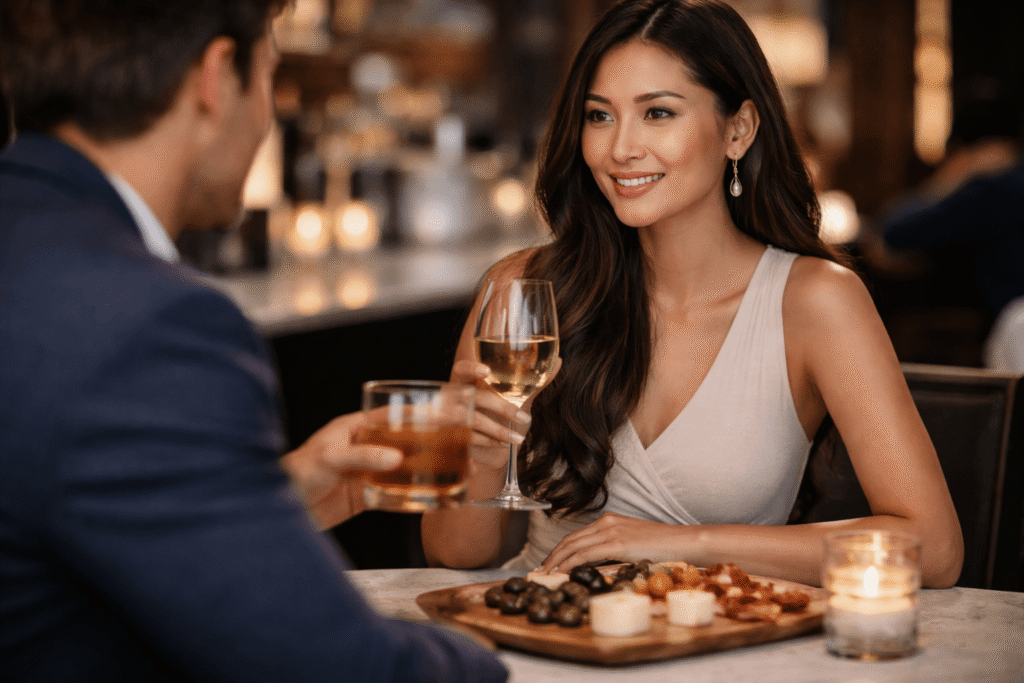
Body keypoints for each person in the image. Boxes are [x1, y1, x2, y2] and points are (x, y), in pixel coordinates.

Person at [0, 2, 506, 681]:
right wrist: (507, 656)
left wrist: (280, 495)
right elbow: (336, 666)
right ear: (216, 77)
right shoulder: (148, 322)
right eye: (270, 76)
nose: (267, 117)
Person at [422, 0, 964, 589]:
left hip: (720, 651)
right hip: (541, 637)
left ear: (739, 129)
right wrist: (479, 454)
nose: (620, 148)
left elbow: (932, 550)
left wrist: (685, 545)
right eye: (598, 116)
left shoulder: (814, 302)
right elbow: (456, 556)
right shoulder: (522, 291)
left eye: (657, 113)